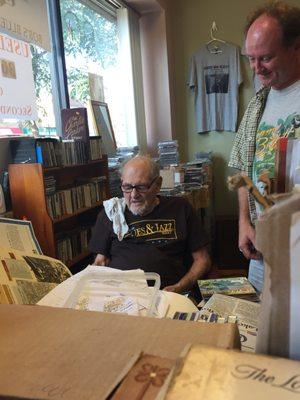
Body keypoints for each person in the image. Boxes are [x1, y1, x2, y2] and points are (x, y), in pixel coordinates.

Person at [229, 1, 300, 291]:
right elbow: (241, 169)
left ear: (296, 47)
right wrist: (244, 222)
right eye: (251, 58)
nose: (256, 68)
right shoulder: (258, 103)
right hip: (263, 250)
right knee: (262, 332)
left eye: (266, 58)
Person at [89, 155, 211, 293]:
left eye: (141, 187)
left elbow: (202, 260)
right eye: (127, 187)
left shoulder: (180, 208)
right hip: (121, 296)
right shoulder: (111, 214)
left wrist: (180, 287)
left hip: (169, 295)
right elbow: (100, 263)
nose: (134, 195)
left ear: (158, 184)